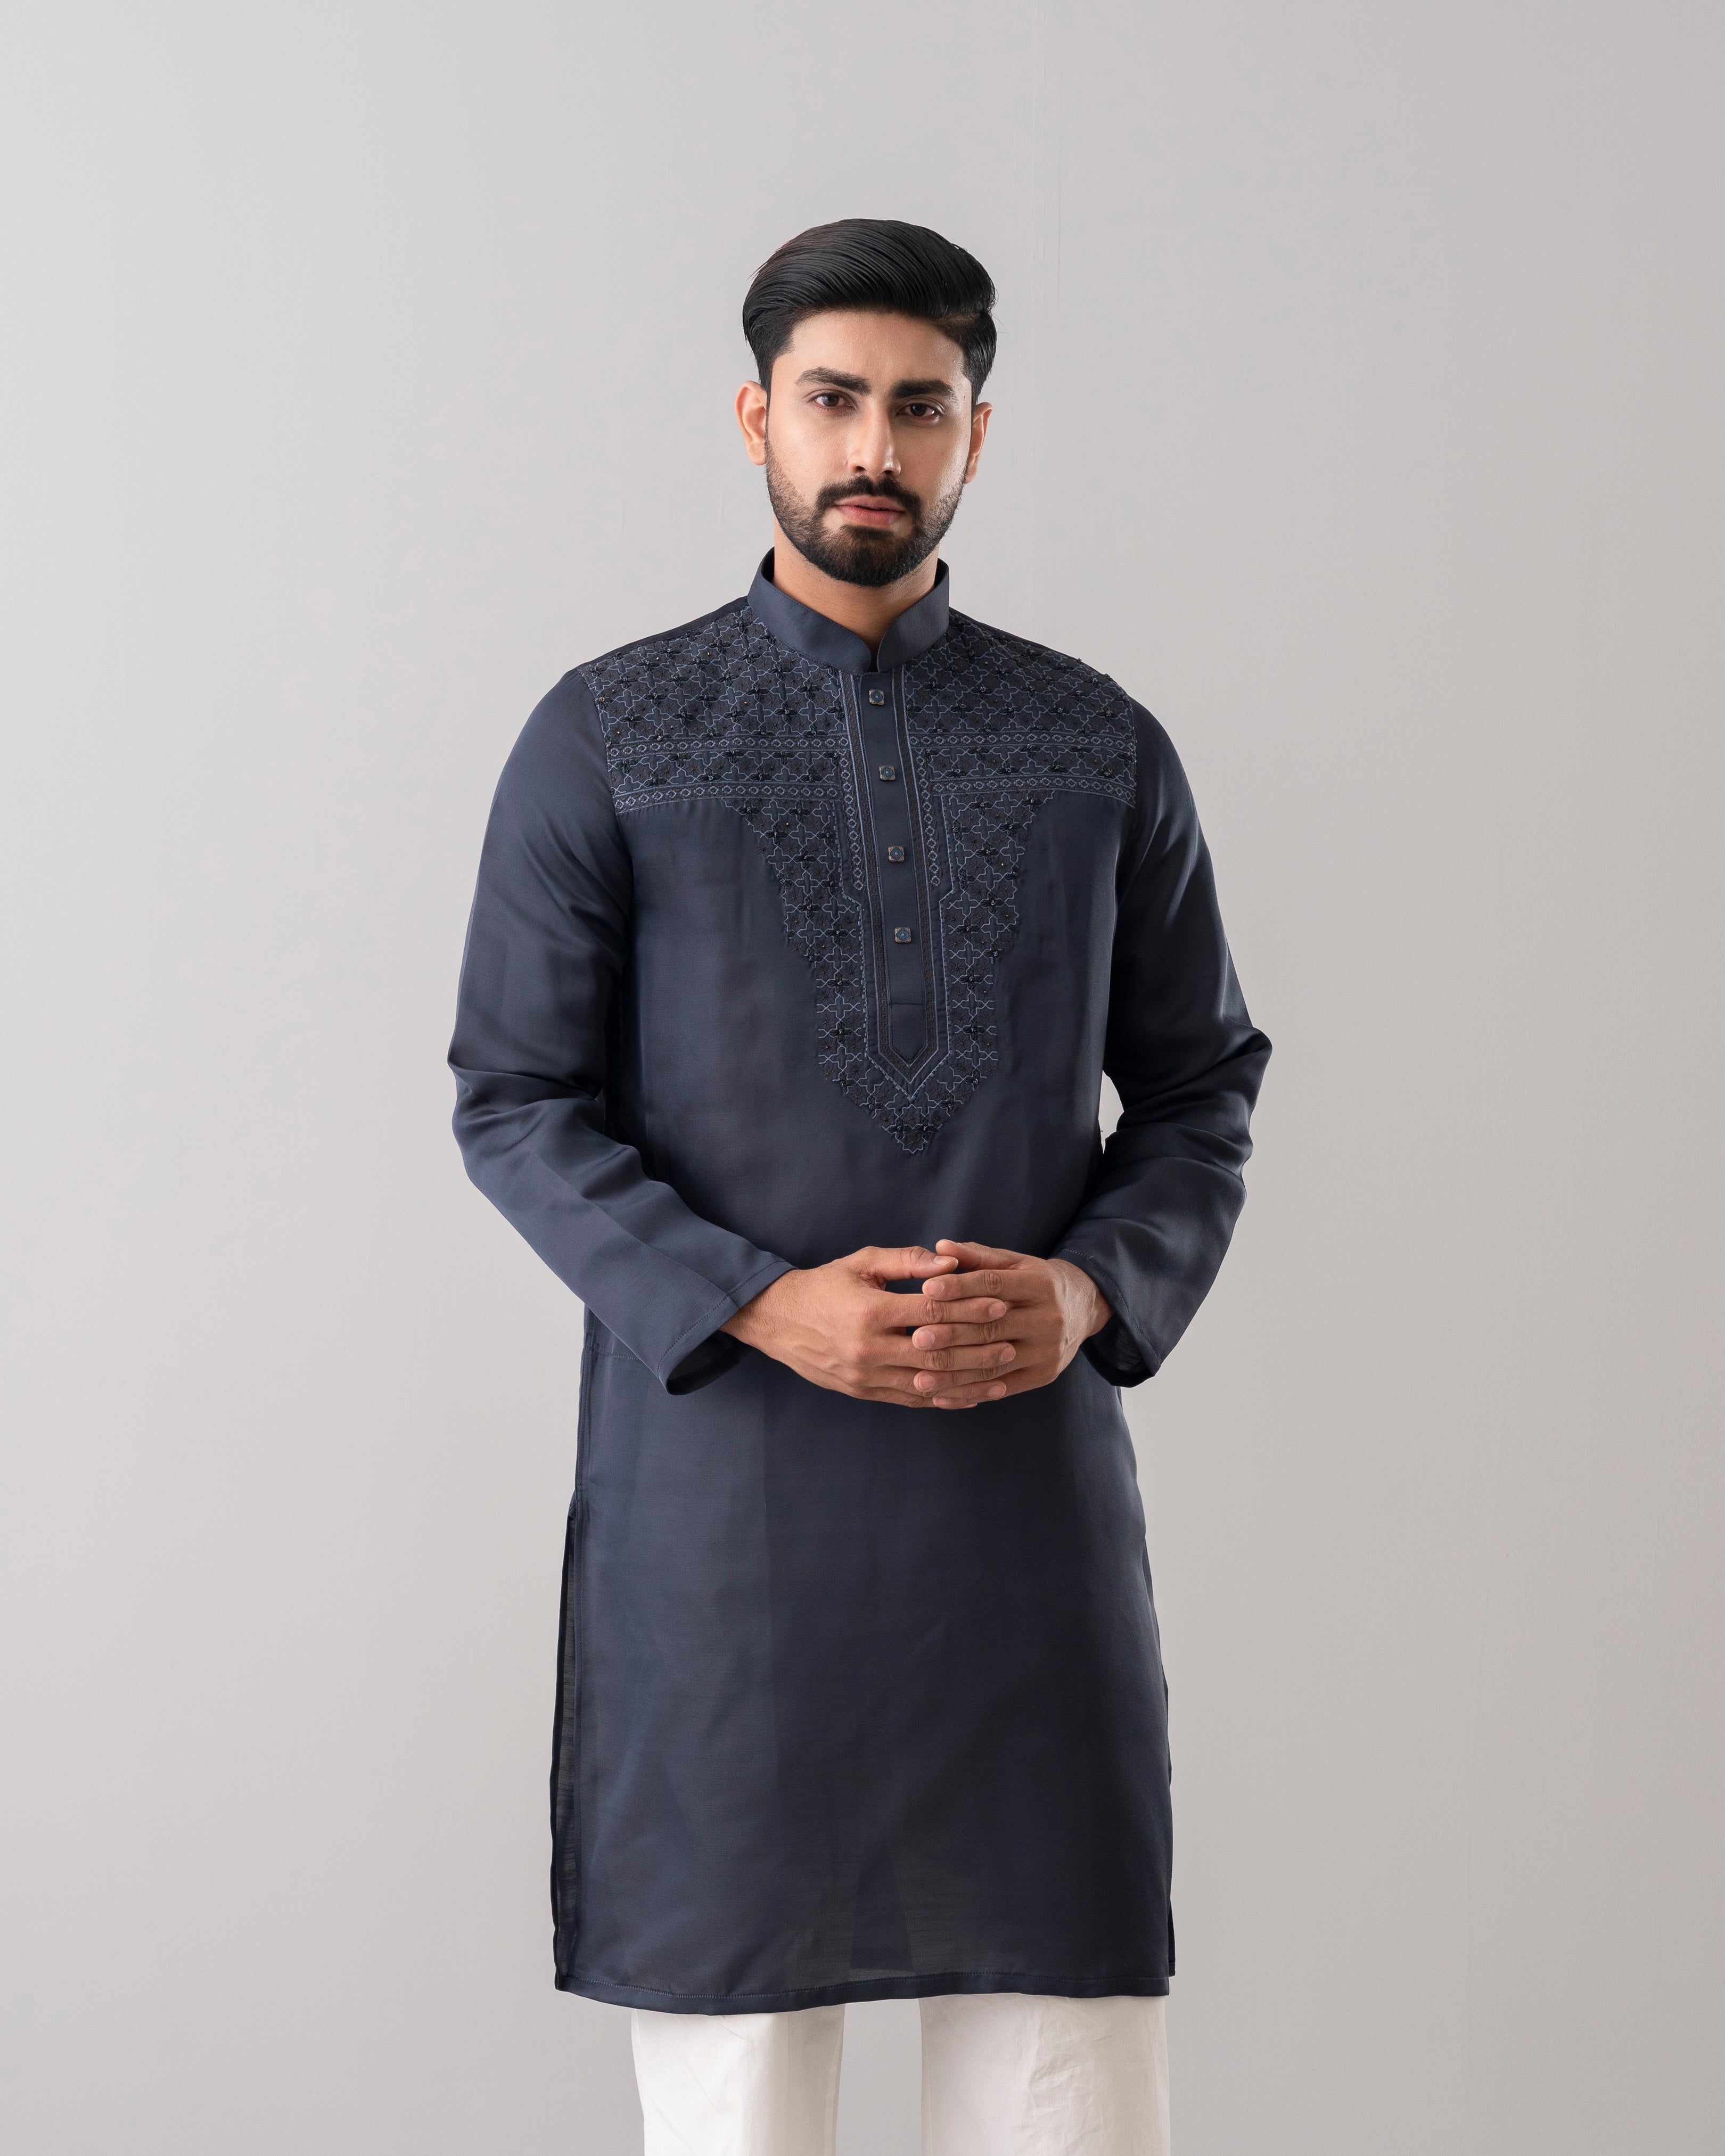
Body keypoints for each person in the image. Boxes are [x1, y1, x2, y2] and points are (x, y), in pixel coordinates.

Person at [448, 218, 1270, 2156]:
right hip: (724, 1544)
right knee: (739, 2106)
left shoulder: (1097, 745)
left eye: (921, 405)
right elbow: (516, 1100)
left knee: (1070, 2095)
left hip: (1021, 1532)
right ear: (758, 420)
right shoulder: (609, 737)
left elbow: (1202, 1087)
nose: (874, 447)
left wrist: (1083, 1291)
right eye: (833, 400)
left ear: (979, 433)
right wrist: (758, 1298)